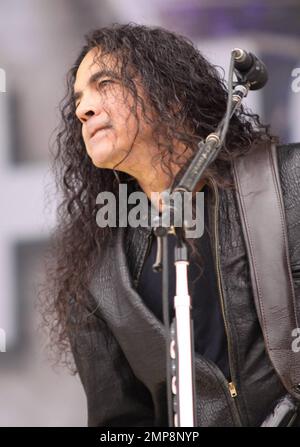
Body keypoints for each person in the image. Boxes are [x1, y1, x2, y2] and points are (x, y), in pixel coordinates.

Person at [43, 23, 300, 427]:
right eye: (78, 100)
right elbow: (119, 425)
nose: (82, 109)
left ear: (171, 93)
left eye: (105, 83)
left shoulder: (289, 182)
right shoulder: (97, 272)